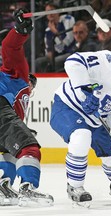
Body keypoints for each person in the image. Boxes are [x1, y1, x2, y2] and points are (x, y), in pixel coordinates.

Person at [50, 37, 111, 207]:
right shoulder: (105, 60)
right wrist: (85, 91)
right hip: (67, 107)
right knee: (82, 135)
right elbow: (73, 61)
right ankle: (74, 187)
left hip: (95, 118)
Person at [0, 8, 53, 206]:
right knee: (29, 147)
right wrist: (20, 31)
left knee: (10, 150)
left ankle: (2, 189)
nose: (31, 84)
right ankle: (28, 188)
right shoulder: (15, 73)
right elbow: (10, 47)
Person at [35, 2, 75, 72]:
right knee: (38, 62)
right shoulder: (48, 30)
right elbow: (48, 48)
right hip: (57, 54)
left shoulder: (68, 19)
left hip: (70, 51)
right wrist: (49, 52)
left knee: (57, 61)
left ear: (58, 11)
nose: (50, 14)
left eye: (52, 10)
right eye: (47, 12)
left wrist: (55, 32)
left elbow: (68, 41)